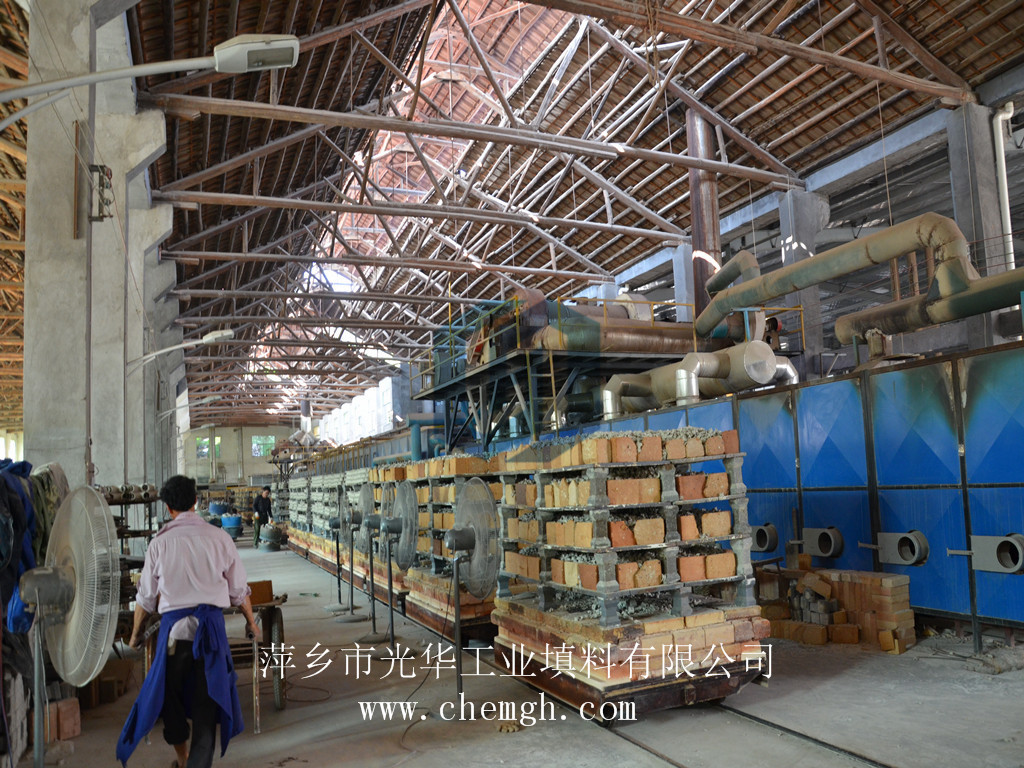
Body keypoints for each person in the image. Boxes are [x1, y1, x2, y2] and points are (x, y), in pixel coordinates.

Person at [117, 475, 258, 768]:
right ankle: (195, 763)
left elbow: (146, 599)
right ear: (195, 501)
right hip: (211, 635)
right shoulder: (220, 538)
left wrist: (134, 636)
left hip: (174, 637)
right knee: (207, 702)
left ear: (168, 508)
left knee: (169, 699)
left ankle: (182, 759)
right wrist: (252, 623)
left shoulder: (158, 544)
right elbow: (238, 591)